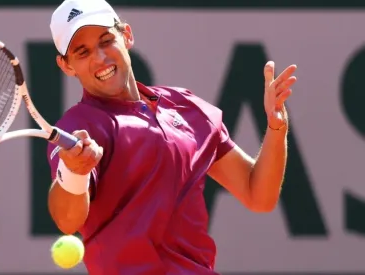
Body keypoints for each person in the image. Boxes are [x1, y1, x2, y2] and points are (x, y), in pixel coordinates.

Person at [46, 0, 297, 274]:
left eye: (106, 40)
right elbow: (68, 221)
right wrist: (74, 171)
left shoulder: (187, 107)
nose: (100, 58)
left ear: (127, 35)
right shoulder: (78, 127)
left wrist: (276, 128)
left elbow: (258, 195)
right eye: (82, 52)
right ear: (66, 65)